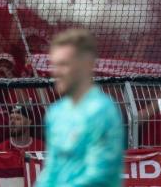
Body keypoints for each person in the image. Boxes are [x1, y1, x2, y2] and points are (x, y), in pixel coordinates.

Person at [37, 28, 124, 187]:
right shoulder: (55, 113)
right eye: (55, 65)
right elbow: (51, 169)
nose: (55, 72)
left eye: (63, 64)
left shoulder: (102, 111)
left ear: (86, 65)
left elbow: (99, 175)